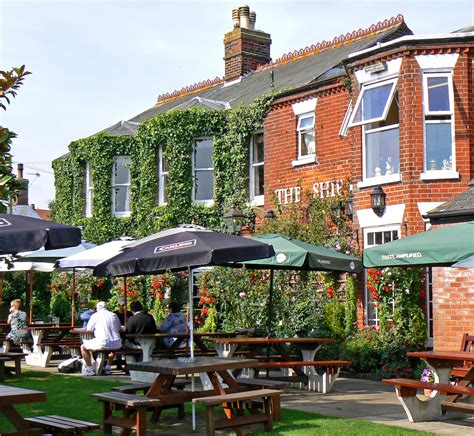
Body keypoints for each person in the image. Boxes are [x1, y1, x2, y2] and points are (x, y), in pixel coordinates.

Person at [81, 301, 122, 376]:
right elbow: (119, 328)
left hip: (102, 343)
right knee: (113, 345)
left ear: (97, 308)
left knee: (83, 347)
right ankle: (108, 367)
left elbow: (89, 329)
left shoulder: (95, 316)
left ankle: (89, 369)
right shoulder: (114, 315)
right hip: (117, 343)